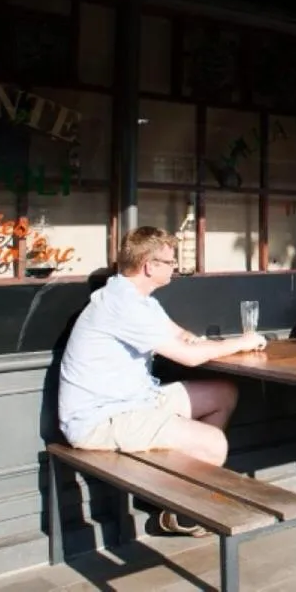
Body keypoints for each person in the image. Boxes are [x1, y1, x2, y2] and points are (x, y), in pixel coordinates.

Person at [58, 227, 266, 537]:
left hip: (136, 402)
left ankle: (179, 494)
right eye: (170, 262)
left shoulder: (141, 300)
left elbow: (179, 335)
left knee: (223, 393)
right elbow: (188, 357)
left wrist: (196, 340)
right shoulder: (122, 304)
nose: (175, 267)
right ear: (149, 266)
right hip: (100, 419)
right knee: (213, 443)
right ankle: (184, 510)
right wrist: (242, 342)